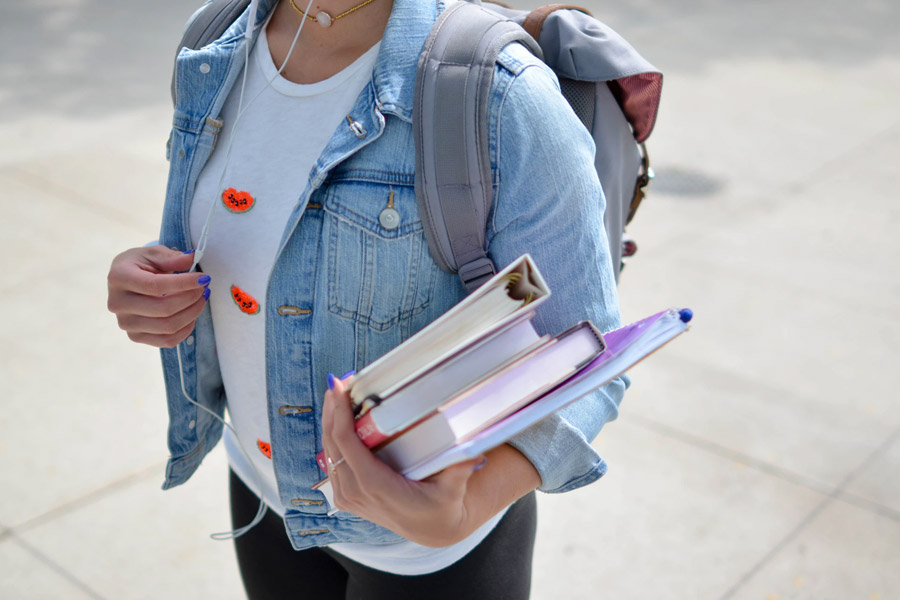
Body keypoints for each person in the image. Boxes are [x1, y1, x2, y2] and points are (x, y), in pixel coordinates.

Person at [106, 0, 627, 597]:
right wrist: (151, 280)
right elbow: (250, 231)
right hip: (261, 489)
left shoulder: (502, 95)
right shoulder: (213, 41)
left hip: (432, 557)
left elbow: (589, 354)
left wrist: (462, 509)